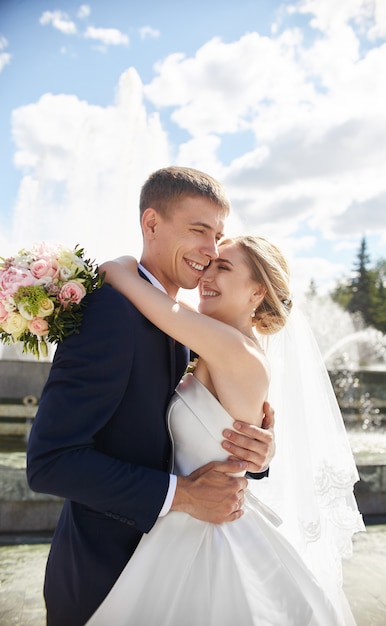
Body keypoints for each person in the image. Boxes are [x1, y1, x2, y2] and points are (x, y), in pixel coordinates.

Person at [26, 167, 276, 626]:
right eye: (198, 230)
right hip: (105, 576)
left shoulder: (185, 326)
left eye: (218, 236)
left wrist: (252, 456)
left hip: (185, 575)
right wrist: (182, 494)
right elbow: (49, 461)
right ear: (152, 224)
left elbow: (185, 430)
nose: (210, 250)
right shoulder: (110, 313)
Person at [86, 235, 363, 626]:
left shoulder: (235, 351)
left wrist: (123, 266)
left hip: (206, 533)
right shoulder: (226, 344)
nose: (206, 276)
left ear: (257, 292)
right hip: (191, 515)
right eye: (210, 265)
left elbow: (135, 289)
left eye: (224, 268)